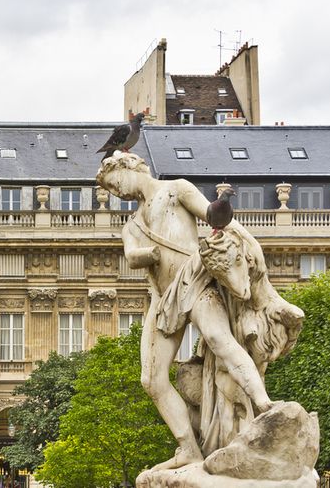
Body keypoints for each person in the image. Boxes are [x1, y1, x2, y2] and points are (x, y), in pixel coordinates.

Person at [96, 152, 278, 470]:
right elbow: (131, 255)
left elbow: (212, 216)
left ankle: (263, 404)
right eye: (111, 190)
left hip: (194, 281)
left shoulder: (176, 189)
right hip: (163, 300)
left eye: (115, 183)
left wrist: (223, 208)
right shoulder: (132, 226)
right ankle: (188, 448)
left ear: (130, 167)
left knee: (221, 341)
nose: (117, 192)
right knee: (151, 380)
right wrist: (147, 254)